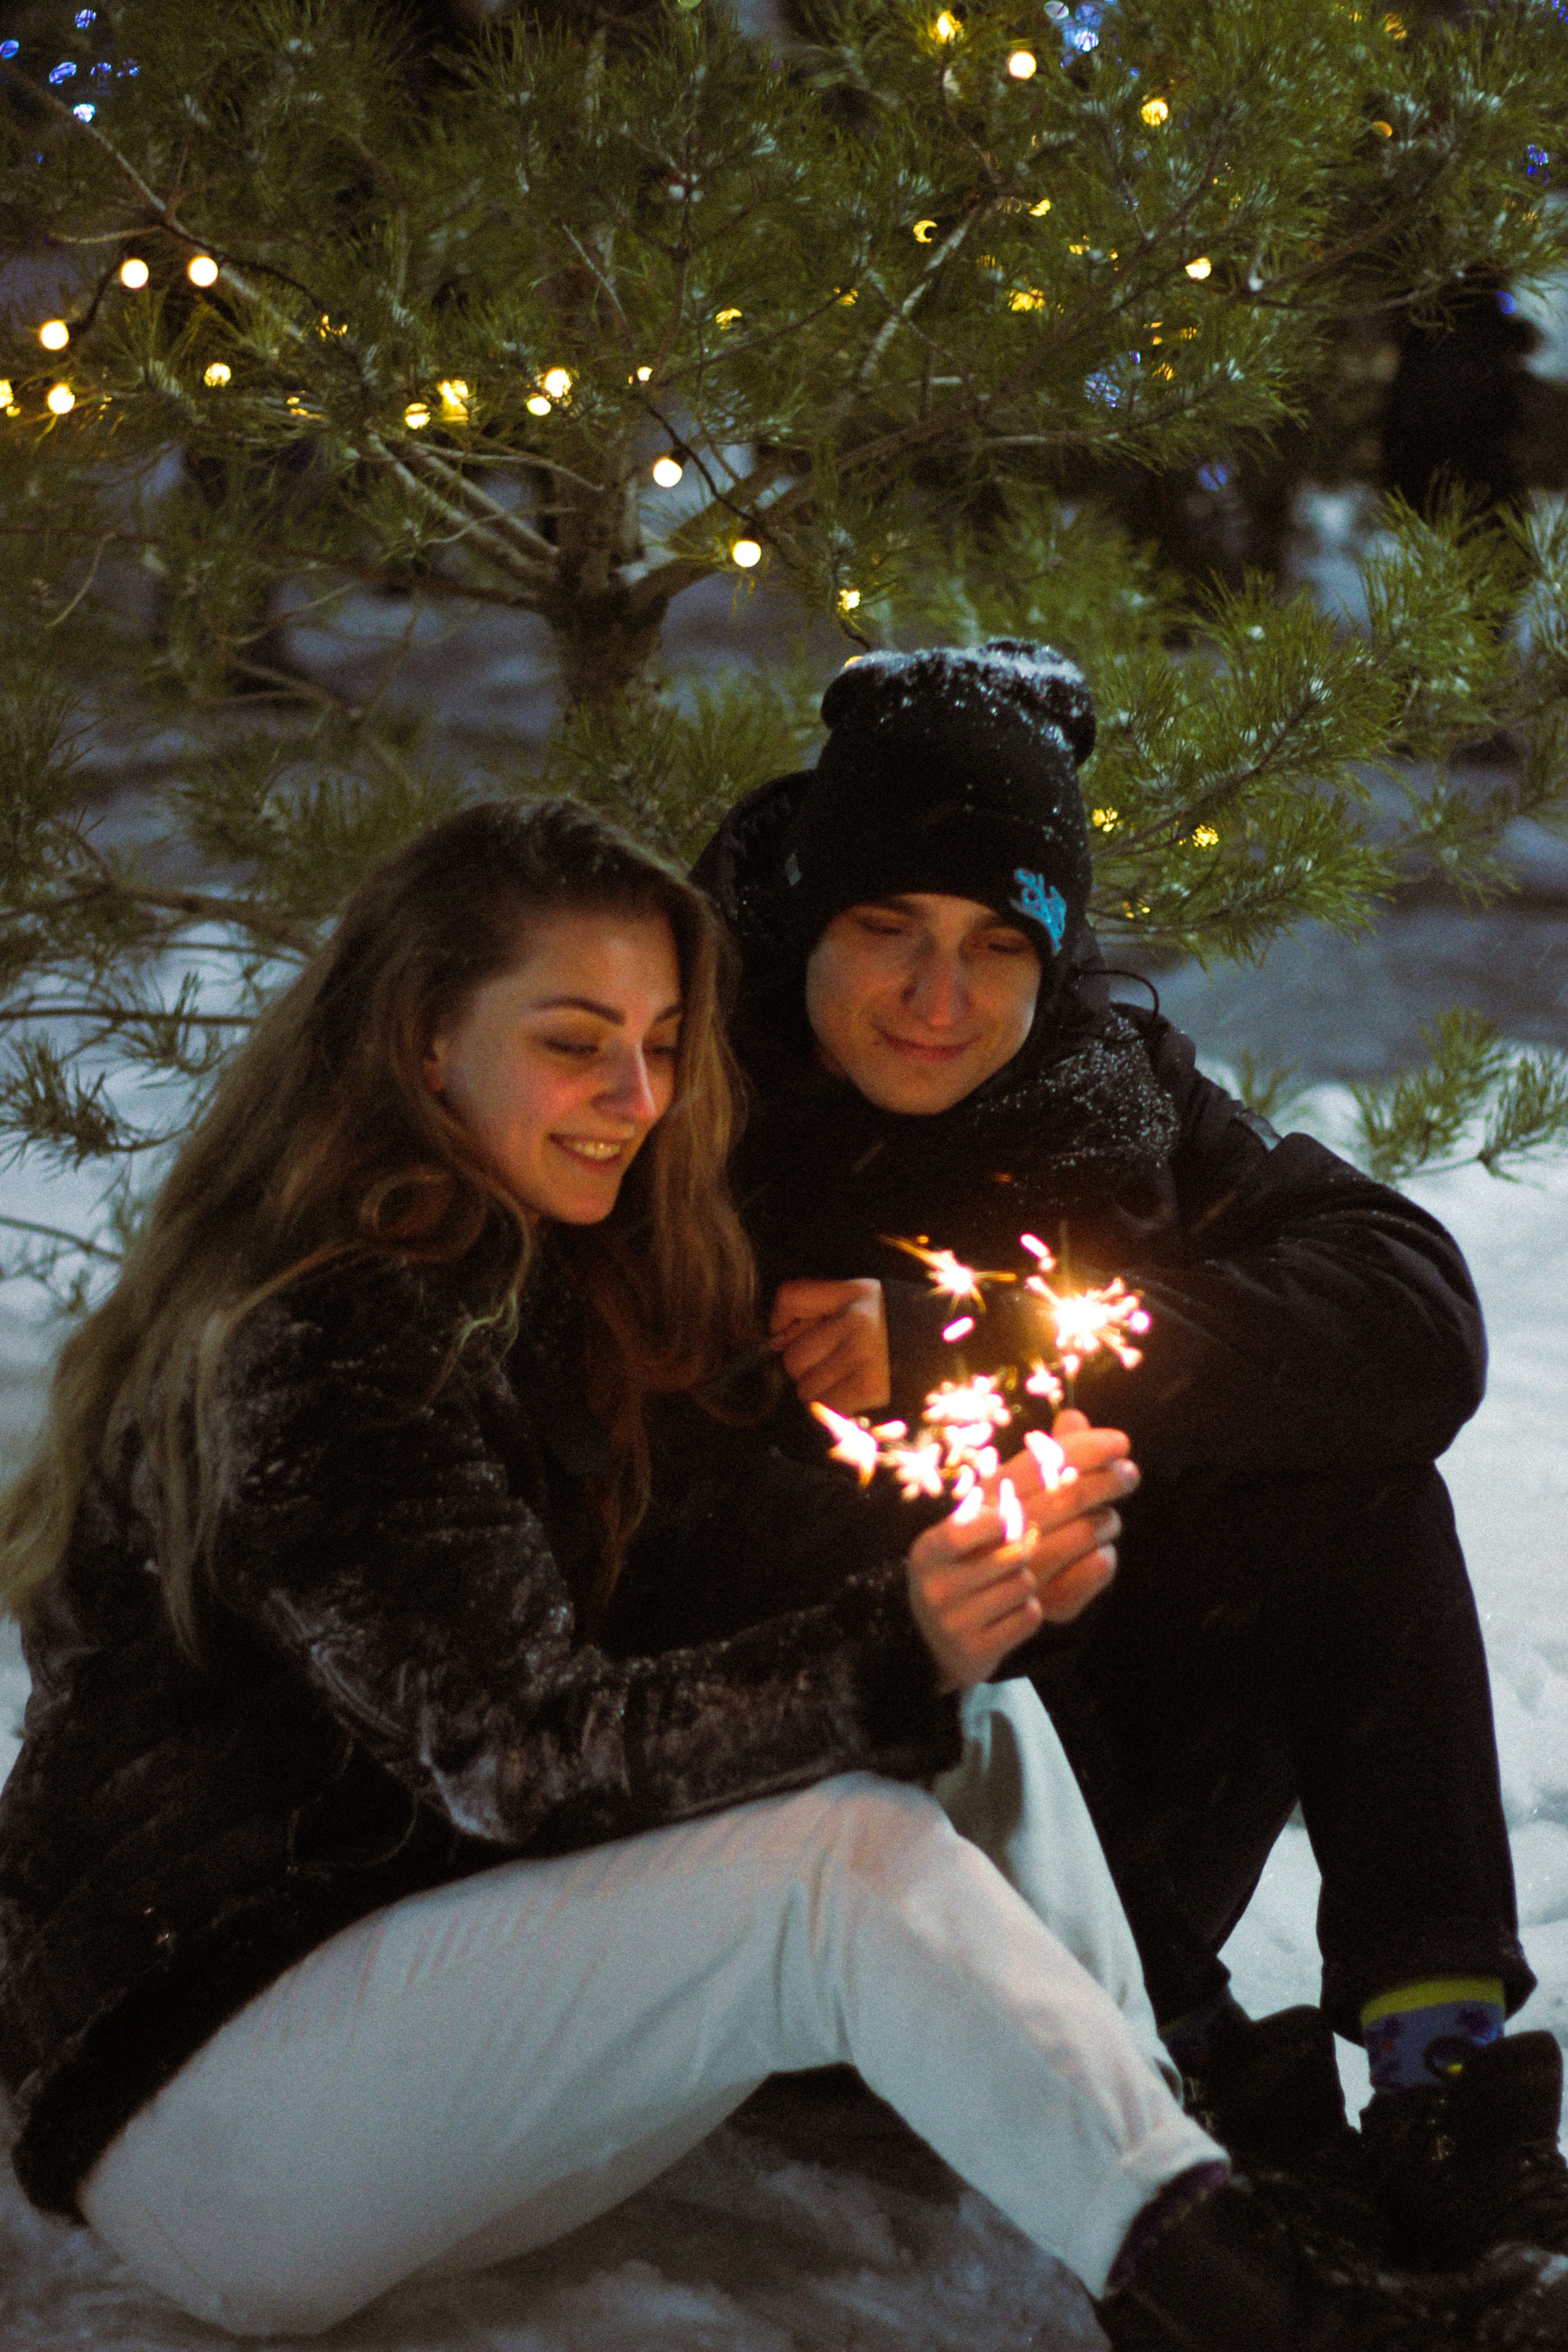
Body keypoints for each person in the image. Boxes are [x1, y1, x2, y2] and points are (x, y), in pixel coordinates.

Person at [0, 795, 1451, 2351]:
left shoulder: (532, 1280)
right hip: (211, 2113)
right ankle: (1285, 2324)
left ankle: (1202, 2209)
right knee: (836, 1866)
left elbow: (713, 1569)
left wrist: (970, 1544)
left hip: (409, 2036)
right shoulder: (332, 1334)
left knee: (984, 1732)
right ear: (426, 1042)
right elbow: (519, 1760)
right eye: (573, 1041)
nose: (632, 1096)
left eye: (665, 1042)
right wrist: (901, 1634)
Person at [677, 640, 1568, 2274]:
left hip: (1118, 1791)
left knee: (1351, 1482)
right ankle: (1190, 2059)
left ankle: (1437, 2077)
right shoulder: (682, 1122)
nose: (941, 1003)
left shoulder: (1108, 1099)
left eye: (997, 946)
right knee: (962, 1512)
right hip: (840, 1884)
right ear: (808, 918)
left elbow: (1412, 1318)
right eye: (887, 933)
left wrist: (983, 1337)